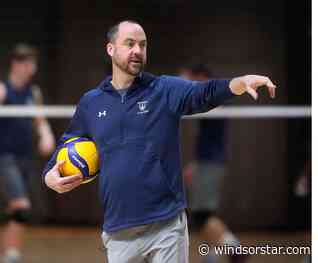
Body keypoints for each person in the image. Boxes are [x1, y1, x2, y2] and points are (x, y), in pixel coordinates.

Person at [43, 20, 276, 263]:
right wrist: (49, 176)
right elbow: (66, 144)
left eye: (142, 45)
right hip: (118, 230)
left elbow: (204, 93)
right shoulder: (91, 102)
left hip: (166, 226)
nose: (137, 50)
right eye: (130, 44)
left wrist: (240, 82)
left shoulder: (163, 90)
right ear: (111, 49)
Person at [0, 43, 55, 263]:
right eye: (23, 61)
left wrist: (46, 134)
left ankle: (11, 253)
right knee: (21, 205)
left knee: (19, 209)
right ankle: (11, 255)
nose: (28, 66)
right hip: (5, 157)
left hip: (26, 157)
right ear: (15, 64)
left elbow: (40, 121)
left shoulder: (33, 92)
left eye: (31, 62)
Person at [180, 63, 246, 263]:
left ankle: (235, 248)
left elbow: (194, 103)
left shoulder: (214, 96)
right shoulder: (209, 98)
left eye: (194, 79)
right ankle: (212, 256)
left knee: (203, 214)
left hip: (211, 163)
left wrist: (183, 84)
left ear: (202, 77)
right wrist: (194, 165)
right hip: (205, 161)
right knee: (205, 213)